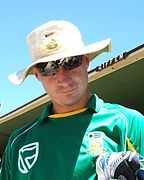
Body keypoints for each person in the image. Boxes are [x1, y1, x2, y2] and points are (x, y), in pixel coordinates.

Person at [1, 20, 144, 180]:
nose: (63, 78)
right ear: (37, 75)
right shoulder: (18, 142)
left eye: (71, 61)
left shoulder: (129, 122)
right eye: (48, 67)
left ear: (86, 61)